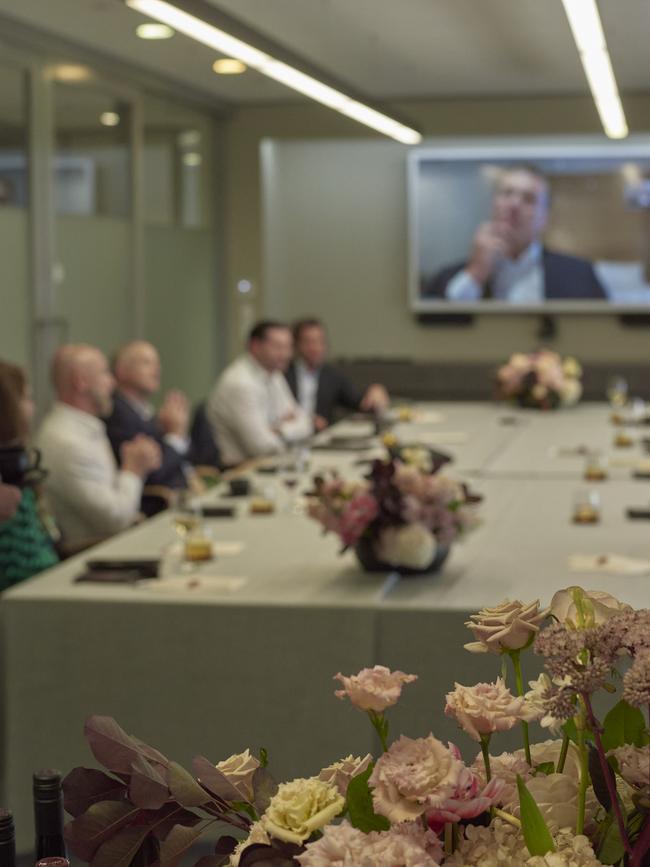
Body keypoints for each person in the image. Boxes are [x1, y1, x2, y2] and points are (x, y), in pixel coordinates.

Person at [37, 344, 162, 546]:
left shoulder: (84, 428)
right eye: (105, 374)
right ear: (81, 381)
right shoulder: (67, 442)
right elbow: (116, 521)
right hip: (98, 555)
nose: (112, 383)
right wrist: (133, 470)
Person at [424, 165, 607, 302]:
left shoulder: (579, 275)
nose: (514, 205)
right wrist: (476, 273)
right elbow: (435, 335)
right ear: (492, 205)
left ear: (545, 217)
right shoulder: (449, 278)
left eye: (528, 199)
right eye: (506, 194)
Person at [207, 320, 312, 467]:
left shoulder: (274, 373)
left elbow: (306, 424)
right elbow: (262, 447)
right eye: (278, 347)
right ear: (255, 346)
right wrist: (287, 427)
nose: (286, 354)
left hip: (271, 463)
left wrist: (279, 430)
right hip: (239, 470)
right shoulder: (240, 383)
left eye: (288, 347)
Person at [105, 341, 191, 510]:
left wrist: (173, 431)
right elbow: (154, 474)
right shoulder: (118, 413)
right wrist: (175, 435)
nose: (156, 370)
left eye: (157, 364)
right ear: (121, 371)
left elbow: (181, 459)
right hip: (157, 509)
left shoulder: (142, 410)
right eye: (146, 363)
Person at [0, 360, 59, 589]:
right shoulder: (10, 475)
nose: (33, 407)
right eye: (26, 398)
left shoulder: (16, 463)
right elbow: (28, 568)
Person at [286, 318, 390, 430]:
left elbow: (358, 402)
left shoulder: (332, 375)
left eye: (320, 341)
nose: (316, 347)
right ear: (295, 345)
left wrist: (374, 391)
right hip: (287, 436)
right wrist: (307, 420)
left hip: (321, 438)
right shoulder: (283, 373)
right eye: (308, 342)